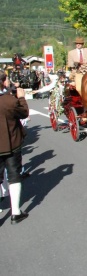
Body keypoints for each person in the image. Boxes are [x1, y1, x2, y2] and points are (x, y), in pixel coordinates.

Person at [0, 72, 30, 224]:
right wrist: (22, 97)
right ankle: (16, 212)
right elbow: (24, 113)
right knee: (14, 175)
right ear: (3, 82)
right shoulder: (10, 101)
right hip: (11, 143)